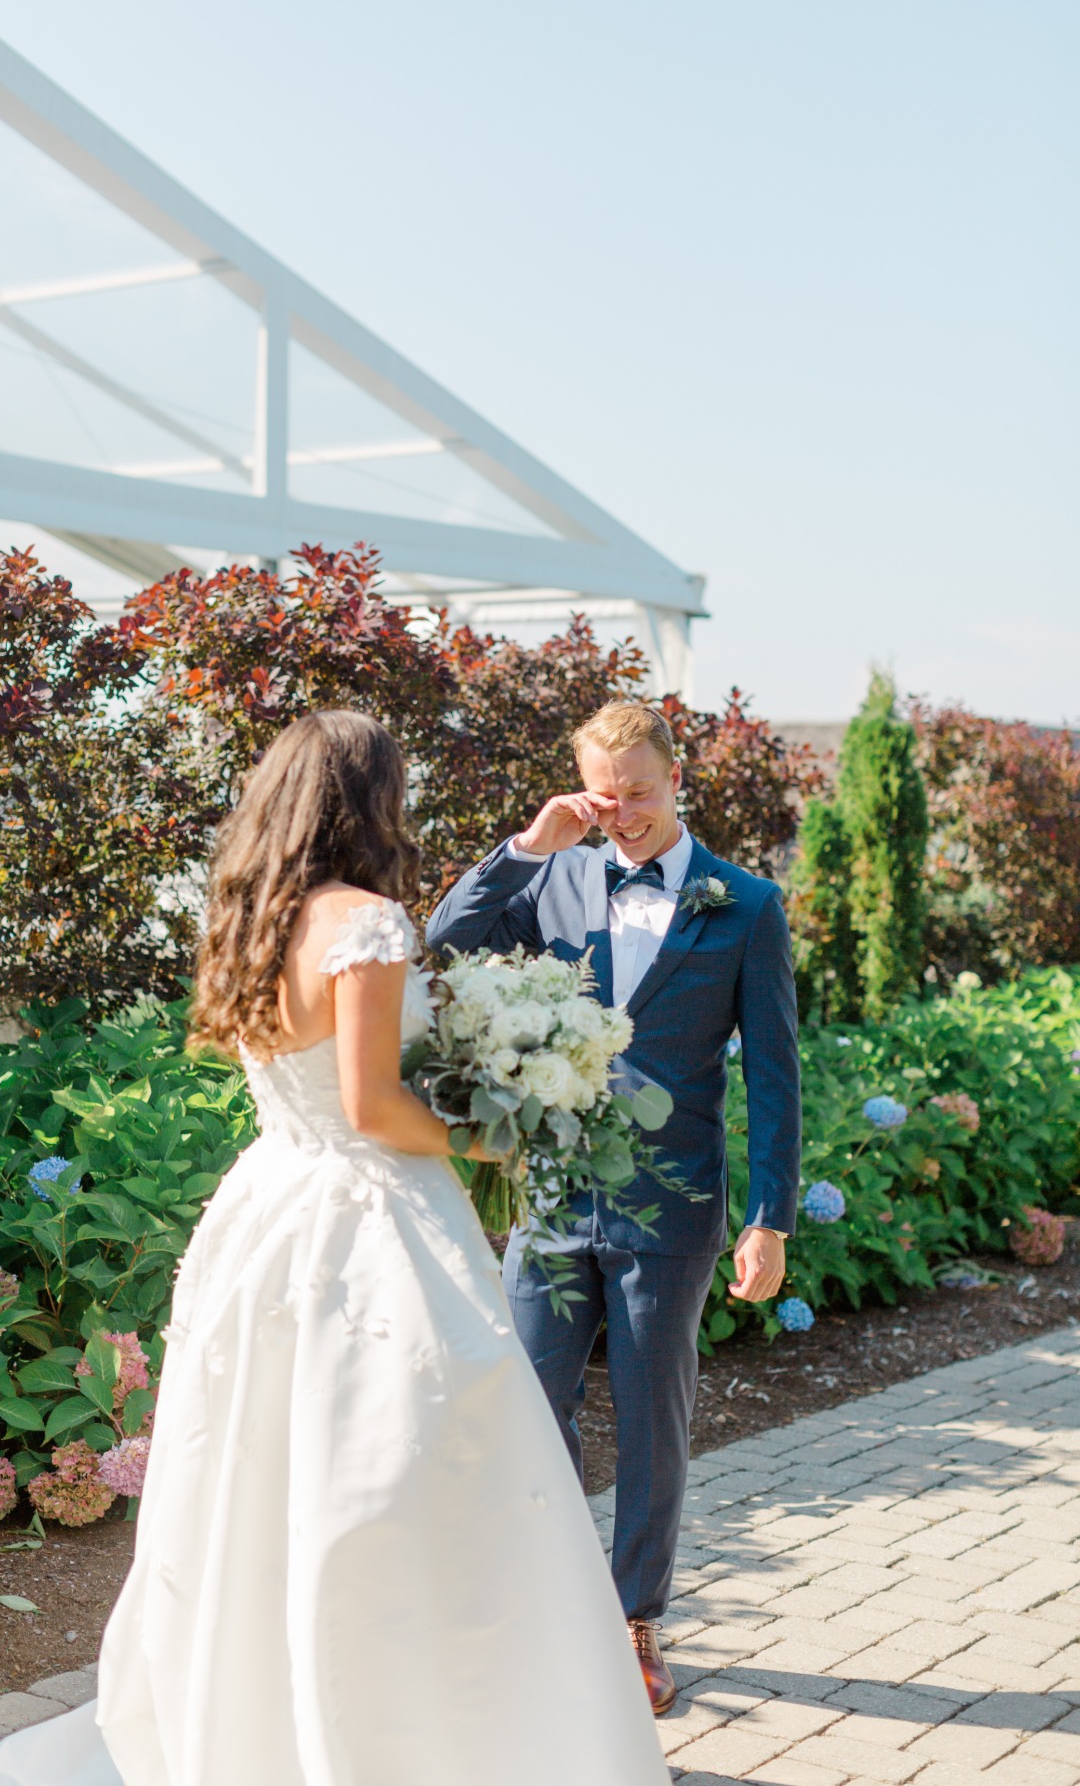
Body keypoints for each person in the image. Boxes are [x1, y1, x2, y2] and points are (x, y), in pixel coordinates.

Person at [0, 709, 668, 1786]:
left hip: (268, 1209)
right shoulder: (369, 921)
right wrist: (496, 1131)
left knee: (263, 1474)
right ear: (371, 798)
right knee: (402, 1472)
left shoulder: (254, 918)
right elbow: (375, 1104)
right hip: (372, 1219)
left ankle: (259, 1719)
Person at [427, 700, 800, 1715]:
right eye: (606, 792)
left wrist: (771, 1216)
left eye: (640, 789)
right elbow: (439, 940)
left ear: (675, 779)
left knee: (651, 1416)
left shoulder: (746, 904)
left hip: (671, 1208)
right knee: (528, 1408)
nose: (624, 810)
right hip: (551, 1196)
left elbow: (775, 1074)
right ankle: (539, 1606)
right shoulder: (553, 876)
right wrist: (524, 845)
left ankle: (636, 1617)